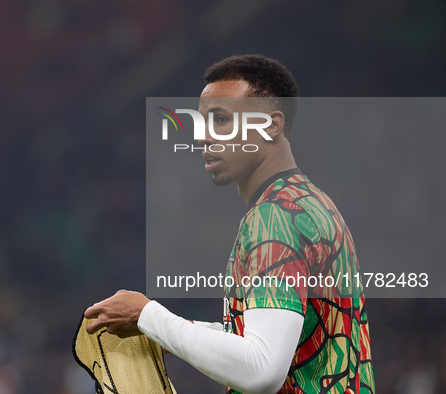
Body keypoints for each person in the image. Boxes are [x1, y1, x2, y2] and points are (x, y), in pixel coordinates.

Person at [84, 54, 375, 393]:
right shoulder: (307, 202)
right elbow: (270, 334)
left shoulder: (275, 216)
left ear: (271, 125)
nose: (204, 137)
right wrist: (163, 330)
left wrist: (148, 315)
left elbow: (262, 370)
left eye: (221, 120)